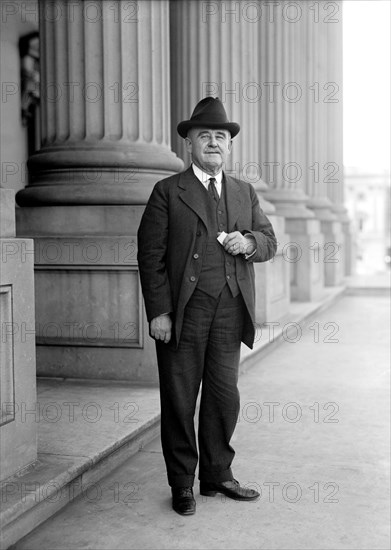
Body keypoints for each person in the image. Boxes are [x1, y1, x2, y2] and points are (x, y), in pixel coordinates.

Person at [137, 97, 277, 516]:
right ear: (190, 145)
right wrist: (159, 311)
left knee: (222, 396)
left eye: (221, 137)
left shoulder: (243, 191)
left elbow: (269, 241)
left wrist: (250, 242)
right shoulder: (167, 191)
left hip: (230, 310)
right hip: (185, 312)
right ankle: (182, 483)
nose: (214, 143)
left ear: (229, 146)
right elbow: (151, 255)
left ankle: (217, 475)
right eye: (205, 137)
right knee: (180, 397)